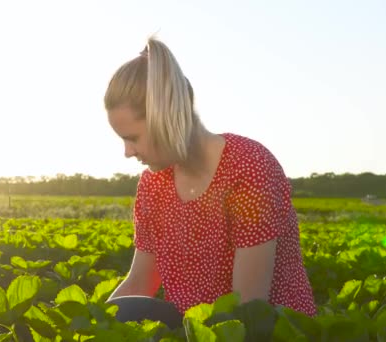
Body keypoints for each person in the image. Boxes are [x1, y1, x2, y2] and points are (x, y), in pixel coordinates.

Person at [103, 36, 317, 320]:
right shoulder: (154, 184)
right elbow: (140, 282)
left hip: (265, 330)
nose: (128, 152)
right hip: (197, 330)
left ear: (165, 117)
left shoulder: (249, 167)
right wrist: (87, 329)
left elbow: (249, 307)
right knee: (125, 312)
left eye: (133, 138)